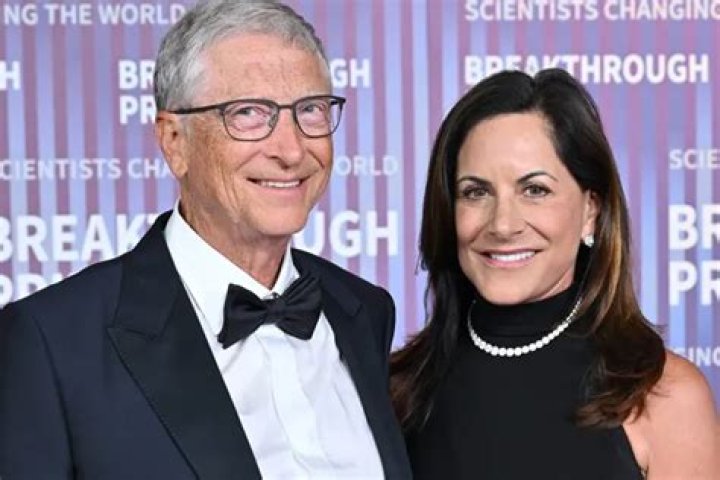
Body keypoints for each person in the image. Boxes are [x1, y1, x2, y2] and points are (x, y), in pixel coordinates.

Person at [0, 1, 411, 478]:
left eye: (311, 110)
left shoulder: (364, 311)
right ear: (174, 141)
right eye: (249, 113)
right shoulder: (52, 343)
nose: (291, 149)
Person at [391, 68, 719, 479]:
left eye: (535, 190)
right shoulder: (394, 391)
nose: (503, 225)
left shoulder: (663, 396)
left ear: (591, 211)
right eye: (476, 192)